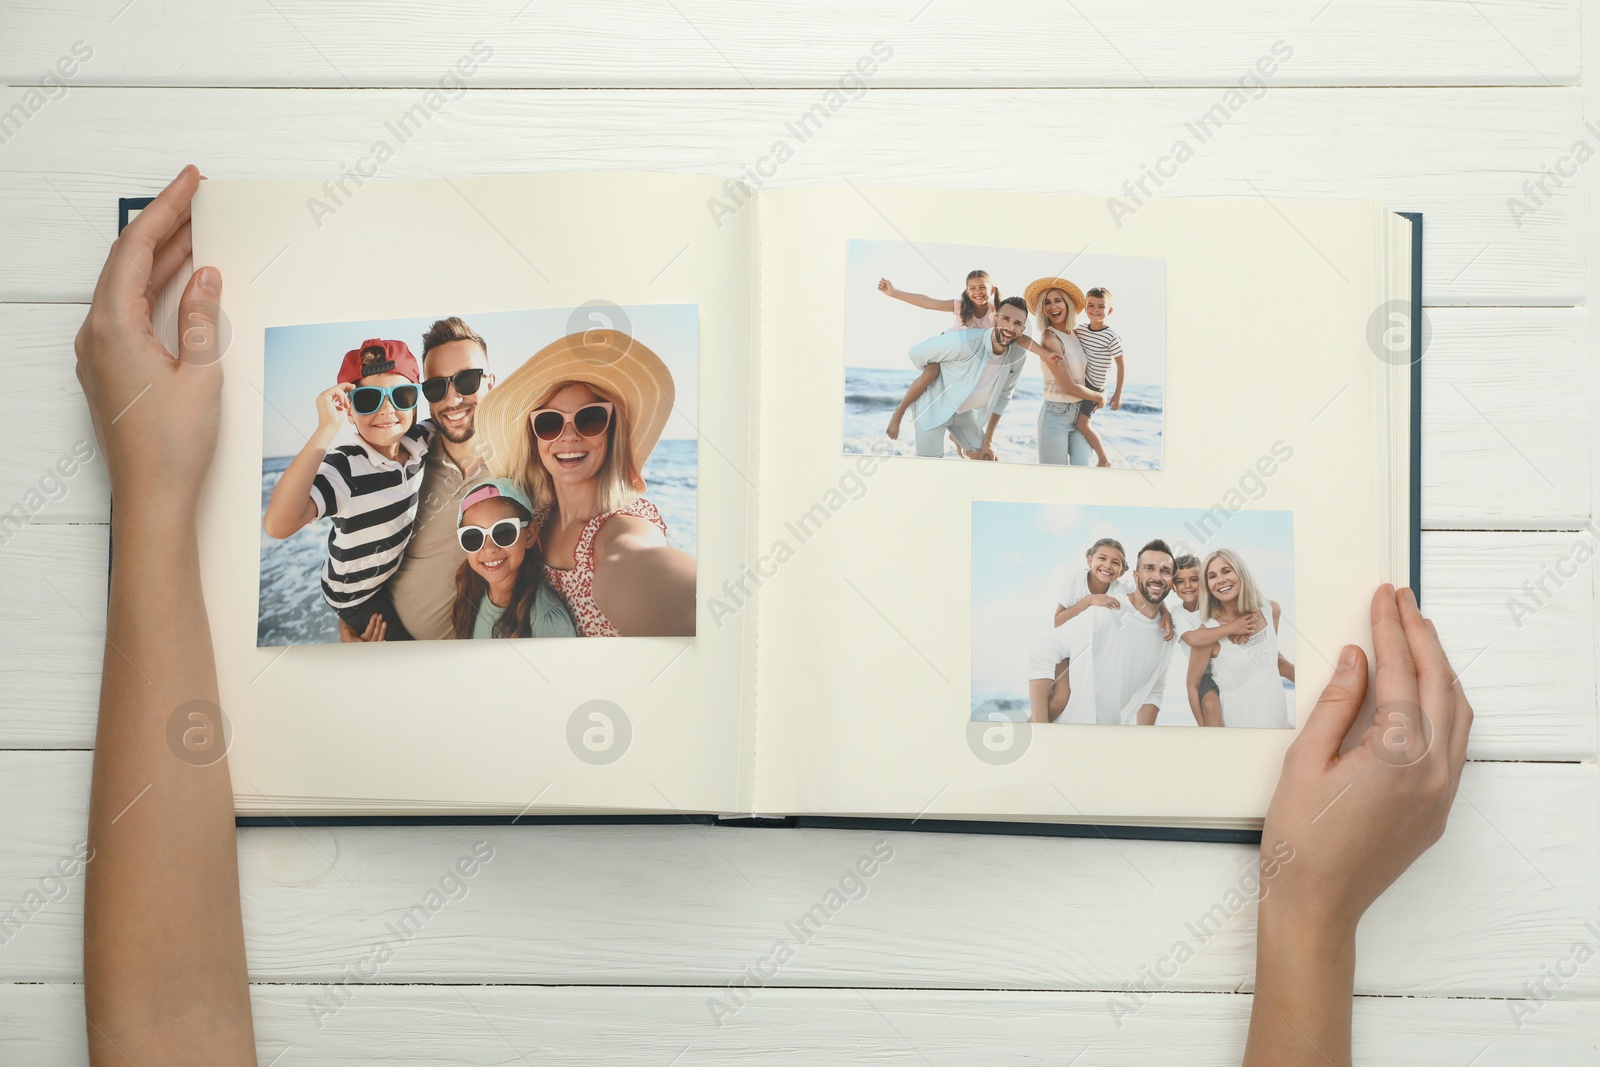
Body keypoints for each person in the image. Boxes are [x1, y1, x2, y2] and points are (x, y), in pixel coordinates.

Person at [78, 166, 1476, 1067]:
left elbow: (164, 1025)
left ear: (616, 430)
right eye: (545, 414)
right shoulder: (484, 497)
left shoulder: (614, 531)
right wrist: (1311, 926)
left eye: (589, 414)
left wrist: (156, 494)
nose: (561, 430)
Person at [476, 328, 696, 637]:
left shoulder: (623, 526)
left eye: (589, 418)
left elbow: (638, 566)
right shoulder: (534, 521)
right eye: (550, 423)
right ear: (535, 438)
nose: (569, 435)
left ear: (611, 430)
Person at [339, 316, 497, 643]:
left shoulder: (521, 458)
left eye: (467, 380)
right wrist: (350, 626)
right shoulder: (405, 460)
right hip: (392, 649)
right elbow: (352, 549)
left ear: (490, 383)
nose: (452, 399)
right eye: (437, 386)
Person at [261, 336, 431, 639]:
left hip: (386, 574)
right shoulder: (344, 468)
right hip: (354, 595)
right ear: (349, 411)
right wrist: (326, 427)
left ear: (416, 401)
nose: (387, 409)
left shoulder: (418, 441)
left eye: (402, 395)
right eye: (368, 399)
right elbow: (277, 525)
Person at [900, 296, 1080, 461]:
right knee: (931, 467)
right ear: (995, 318)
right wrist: (934, 368)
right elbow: (915, 353)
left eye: (1017, 323)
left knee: (986, 459)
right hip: (934, 407)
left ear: (1022, 330)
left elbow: (1004, 397)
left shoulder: (1017, 355)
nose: (1010, 328)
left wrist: (989, 441)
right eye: (1006, 319)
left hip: (964, 414)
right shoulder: (963, 341)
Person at [1030, 539, 1177, 725]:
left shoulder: (1119, 593)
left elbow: (1152, 593)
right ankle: (1032, 728)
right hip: (1066, 646)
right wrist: (1088, 600)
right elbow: (1054, 630)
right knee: (1059, 698)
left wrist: (1165, 612)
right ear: (1136, 575)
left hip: (1108, 731)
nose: (1108, 566)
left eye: (1165, 571)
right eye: (1149, 568)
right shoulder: (1093, 598)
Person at [1184, 548, 1297, 728]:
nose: (1220, 580)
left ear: (1241, 573)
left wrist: (1311, 680)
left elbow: (1271, 660)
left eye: (1226, 571)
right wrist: (1204, 732)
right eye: (1212, 576)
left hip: (1279, 727)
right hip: (1238, 732)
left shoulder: (1270, 610)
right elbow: (1193, 685)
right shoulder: (1208, 634)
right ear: (1207, 586)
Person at [451, 477, 576, 639]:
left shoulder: (546, 619)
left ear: (529, 535)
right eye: (474, 537)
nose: (489, 548)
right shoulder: (471, 595)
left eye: (503, 533)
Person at [1023, 277, 1110, 466]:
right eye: (1047, 302)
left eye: (1057, 300)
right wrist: (1098, 397)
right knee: (1054, 480)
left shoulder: (1076, 334)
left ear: (1067, 303)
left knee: (1082, 475)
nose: (1053, 306)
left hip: (1080, 416)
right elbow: (1068, 386)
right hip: (1055, 417)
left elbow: (1093, 369)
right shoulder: (1049, 337)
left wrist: (1102, 390)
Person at [1153, 553, 1218, 726]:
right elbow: (1192, 640)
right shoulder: (1178, 612)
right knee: (1210, 705)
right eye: (1180, 581)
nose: (1187, 586)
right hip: (1204, 674)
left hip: (1228, 667)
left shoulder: (1217, 603)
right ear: (1173, 586)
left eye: (1194, 579)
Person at [877, 269, 998, 332]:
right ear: (967, 291)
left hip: (973, 353)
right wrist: (894, 293)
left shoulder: (998, 310)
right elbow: (927, 302)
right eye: (972, 288)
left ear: (992, 290)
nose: (978, 292)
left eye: (982, 287)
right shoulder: (961, 306)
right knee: (929, 373)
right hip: (951, 344)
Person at [1076, 286, 1127, 430]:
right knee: (1074, 420)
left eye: (1101, 306)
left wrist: (1118, 394)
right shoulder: (1081, 330)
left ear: (1109, 310)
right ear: (1085, 309)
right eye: (1091, 306)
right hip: (1080, 381)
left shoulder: (1111, 337)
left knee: (1083, 423)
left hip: (1094, 386)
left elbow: (1121, 365)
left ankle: (1101, 453)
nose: (1095, 310)